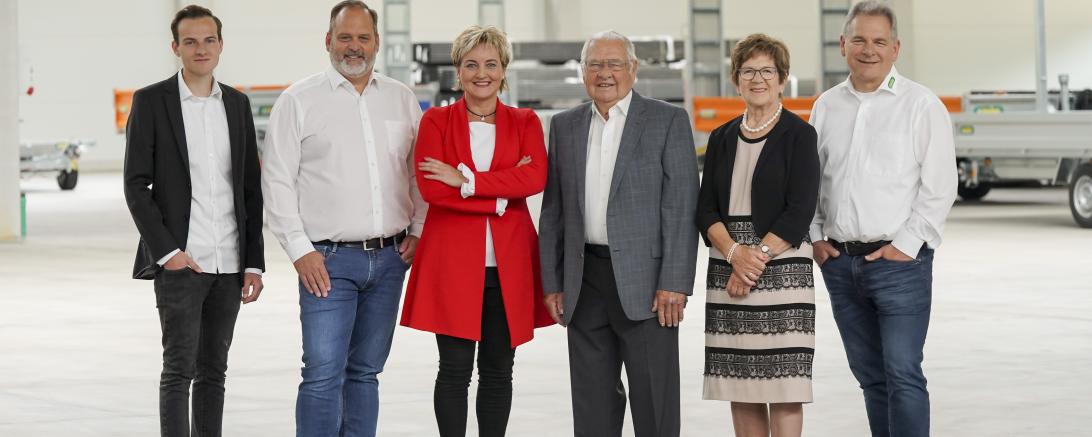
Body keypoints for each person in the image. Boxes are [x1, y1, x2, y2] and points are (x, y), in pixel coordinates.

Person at [260, 1, 426, 436]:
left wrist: (419, 229)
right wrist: (300, 251)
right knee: (322, 374)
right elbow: (276, 181)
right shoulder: (299, 100)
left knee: (365, 373)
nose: (355, 46)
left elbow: (417, 172)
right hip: (326, 261)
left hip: (390, 259)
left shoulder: (401, 99)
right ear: (328, 41)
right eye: (345, 37)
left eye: (363, 37)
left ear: (377, 42)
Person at [537, 30, 699, 437]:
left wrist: (675, 282)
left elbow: (681, 208)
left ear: (633, 69)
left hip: (649, 286)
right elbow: (554, 210)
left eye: (613, 64)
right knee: (591, 406)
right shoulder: (565, 126)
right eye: (594, 64)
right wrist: (553, 282)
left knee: (654, 404)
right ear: (583, 71)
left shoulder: (667, 120)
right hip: (584, 281)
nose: (604, 73)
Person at [809, 2, 957, 436]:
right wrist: (816, 237)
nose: (868, 50)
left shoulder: (921, 105)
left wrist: (905, 246)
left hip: (899, 266)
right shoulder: (826, 106)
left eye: (879, 41)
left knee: (903, 374)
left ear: (896, 48)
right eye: (859, 39)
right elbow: (811, 180)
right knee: (871, 377)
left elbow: (940, 186)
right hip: (840, 264)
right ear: (843, 45)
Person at [399, 25, 554, 437]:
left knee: (499, 370)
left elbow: (534, 178)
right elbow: (433, 189)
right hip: (452, 262)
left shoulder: (525, 122)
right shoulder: (435, 121)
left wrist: (465, 180)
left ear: (503, 70)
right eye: (471, 65)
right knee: (454, 370)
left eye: (490, 64)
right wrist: (502, 196)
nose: (481, 73)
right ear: (458, 71)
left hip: (508, 265)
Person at [122, 5, 265, 436]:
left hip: (229, 264)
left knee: (214, 373)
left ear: (220, 45)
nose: (201, 49)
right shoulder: (152, 102)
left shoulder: (237, 104)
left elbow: (250, 189)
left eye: (208, 40)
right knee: (178, 371)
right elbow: (135, 184)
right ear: (176, 48)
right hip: (182, 261)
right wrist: (168, 253)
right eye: (190, 41)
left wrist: (253, 262)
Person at [695, 33, 820, 437]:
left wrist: (753, 260)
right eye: (748, 71)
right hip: (727, 260)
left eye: (767, 71)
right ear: (736, 80)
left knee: (785, 387)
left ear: (782, 79)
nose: (758, 79)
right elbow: (705, 209)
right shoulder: (721, 137)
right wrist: (735, 254)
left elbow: (799, 211)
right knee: (742, 385)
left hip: (781, 267)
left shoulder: (800, 135)